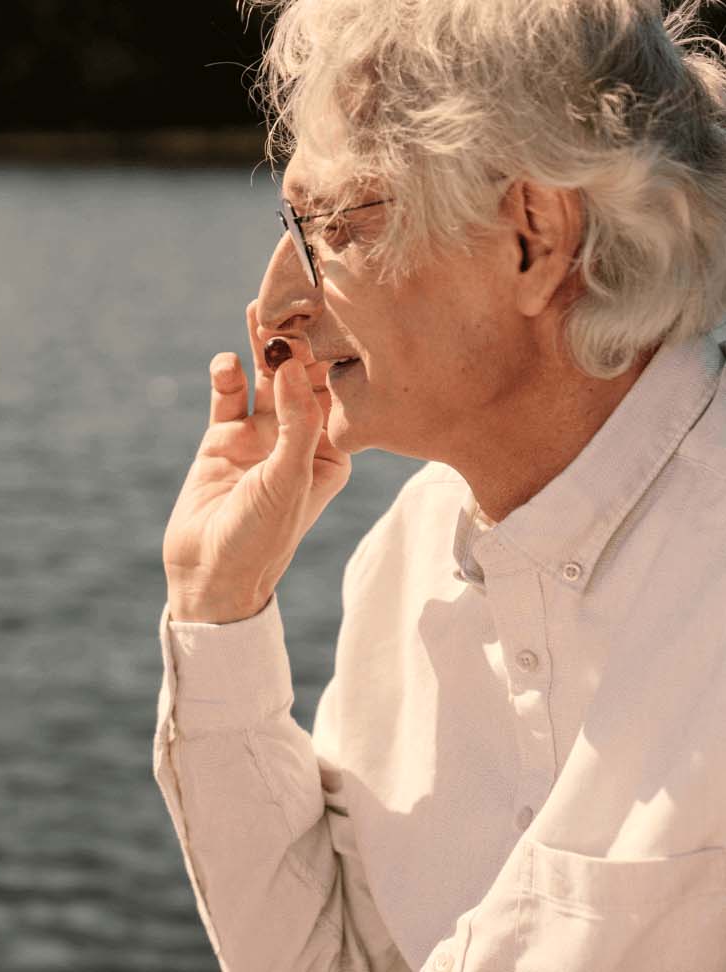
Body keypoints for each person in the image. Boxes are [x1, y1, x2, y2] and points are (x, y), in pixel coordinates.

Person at [157, 0, 726, 969]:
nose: (274, 312)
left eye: (330, 226)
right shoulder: (400, 560)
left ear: (531, 237)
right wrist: (216, 608)